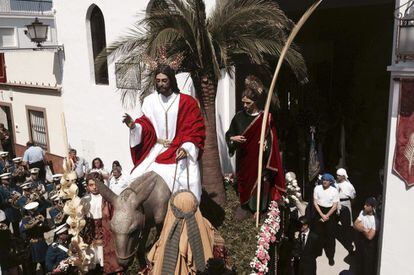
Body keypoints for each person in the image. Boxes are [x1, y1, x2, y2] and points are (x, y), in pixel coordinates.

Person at [123, 64, 205, 202]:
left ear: (171, 80)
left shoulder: (187, 102)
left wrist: (187, 147)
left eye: (164, 80)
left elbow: (194, 129)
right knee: (135, 176)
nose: (161, 84)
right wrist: (134, 127)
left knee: (188, 182)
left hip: (180, 148)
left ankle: (189, 215)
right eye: (158, 80)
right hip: (157, 148)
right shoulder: (150, 101)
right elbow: (146, 124)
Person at [225, 75, 285, 220]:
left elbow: (272, 139)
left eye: (248, 103)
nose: (245, 105)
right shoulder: (238, 117)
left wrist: (266, 144)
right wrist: (233, 138)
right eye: (243, 102)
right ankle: (245, 206)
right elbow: (229, 134)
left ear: (255, 102)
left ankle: (259, 209)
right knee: (245, 182)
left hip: (260, 158)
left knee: (260, 182)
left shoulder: (265, 118)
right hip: (244, 158)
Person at [80, 172, 123, 274]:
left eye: (96, 184)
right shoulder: (84, 200)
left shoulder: (107, 199)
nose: (94, 187)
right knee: (93, 260)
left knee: (106, 257)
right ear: (87, 186)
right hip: (91, 232)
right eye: (91, 185)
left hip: (105, 230)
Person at [313, 173, 339, 266]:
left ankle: (331, 256)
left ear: (330, 182)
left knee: (330, 236)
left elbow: (335, 205)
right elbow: (315, 202)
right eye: (323, 179)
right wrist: (321, 214)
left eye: (327, 180)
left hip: (330, 213)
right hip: (319, 211)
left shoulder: (334, 191)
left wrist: (326, 215)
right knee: (318, 233)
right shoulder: (317, 188)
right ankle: (317, 252)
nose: (324, 181)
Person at [20, 201, 49, 274]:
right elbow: (24, 228)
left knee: (45, 265)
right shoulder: (25, 219)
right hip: (33, 245)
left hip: (41, 243)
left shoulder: (39, 217)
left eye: (34, 209)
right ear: (28, 211)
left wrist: (44, 220)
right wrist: (35, 222)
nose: (34, 211)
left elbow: (47, 228)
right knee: (32, 267)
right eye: (32, 210)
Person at [353, 197, 379, 275]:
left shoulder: (375, 220)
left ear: (372, 207)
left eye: (367, 205)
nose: (364, 206)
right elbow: (355, 224)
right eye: (365, 204)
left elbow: (370, 236)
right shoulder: (362, 212)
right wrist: (366, 230)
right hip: (360, 241)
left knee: (368, 266)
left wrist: (362, 228)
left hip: (369, 246)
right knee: (359, 262)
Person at [335, 168, 356, 254]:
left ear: (343, 176)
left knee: (346, 226)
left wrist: (348, 206)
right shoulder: (336, 183)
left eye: (339, 175)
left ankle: (349, 246)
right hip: (337, 204)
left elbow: (353, 197)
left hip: (345, 204)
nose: (337, 177)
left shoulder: (348, 186)